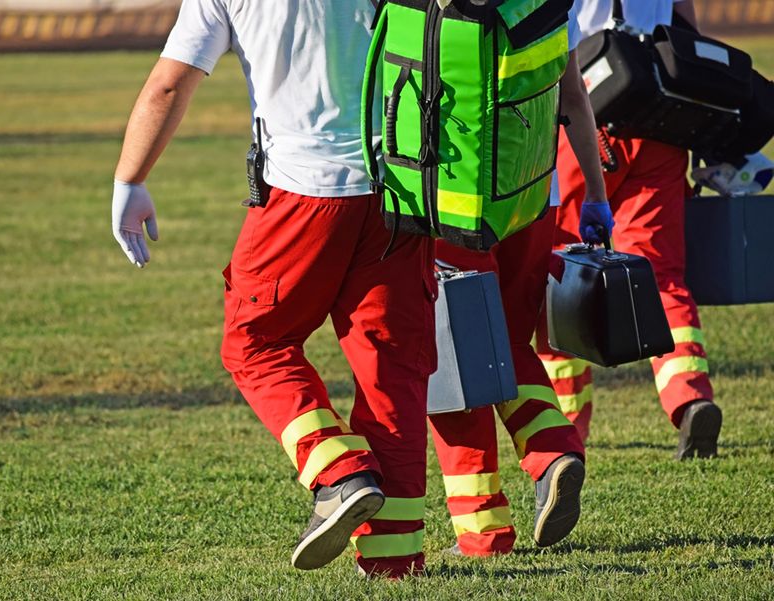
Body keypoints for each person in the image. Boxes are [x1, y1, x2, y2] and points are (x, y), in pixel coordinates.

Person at [110, 0, 435, 578]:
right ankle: (394, 559)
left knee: (252, 344)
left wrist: (130, 179)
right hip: (400, 187)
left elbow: (168, 85)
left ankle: (338, 472)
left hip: (302, 190)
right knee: (391, 367)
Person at [427, 0, 614, 556]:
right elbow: (574, 97)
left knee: (453, 362)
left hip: (452, 204)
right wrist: (597, 199)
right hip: (533, 198)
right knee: (507, 343)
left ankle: (483, 531)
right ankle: (554, 451)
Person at [537, 0, 723, 459]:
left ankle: (566, 427)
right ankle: (690, 396)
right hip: (658, 115)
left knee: (562, 274)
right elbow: (686, 26)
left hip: (586, 112)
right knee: (662, 274)